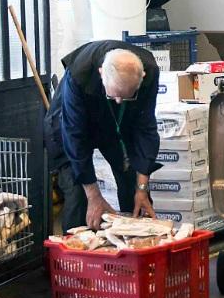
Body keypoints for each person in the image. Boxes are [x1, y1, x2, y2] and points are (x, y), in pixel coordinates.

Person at [45, 40, 162, 231]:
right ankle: (78, 256)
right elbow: (74, 138)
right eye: (114, 95)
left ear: (142, 77)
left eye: (125, 96)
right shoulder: (80, 75)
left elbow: (146, 128)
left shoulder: (149, 72)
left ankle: (135, 245)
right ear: (101, 73)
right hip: (69, 127)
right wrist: (94, 196)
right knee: (78, 195)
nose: (118, 100)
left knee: (133, 185)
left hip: (116, 124)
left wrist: (142, 187)